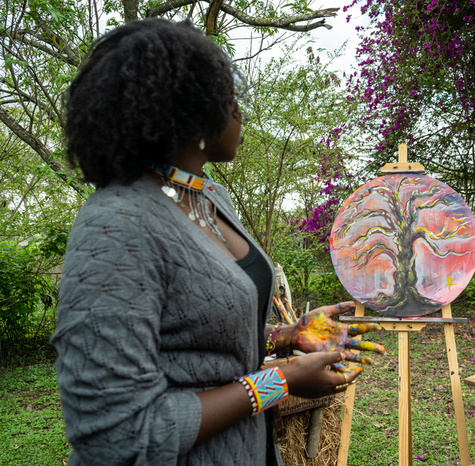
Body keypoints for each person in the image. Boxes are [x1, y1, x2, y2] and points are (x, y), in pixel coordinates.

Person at [51, 18, 384, 465]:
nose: (238, 109)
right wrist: (280, 382)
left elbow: (199, 335)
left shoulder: (210, 197)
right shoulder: (116, 225)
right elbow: (118, 436)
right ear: (188, 110)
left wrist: (285, 336)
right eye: (226, 95)